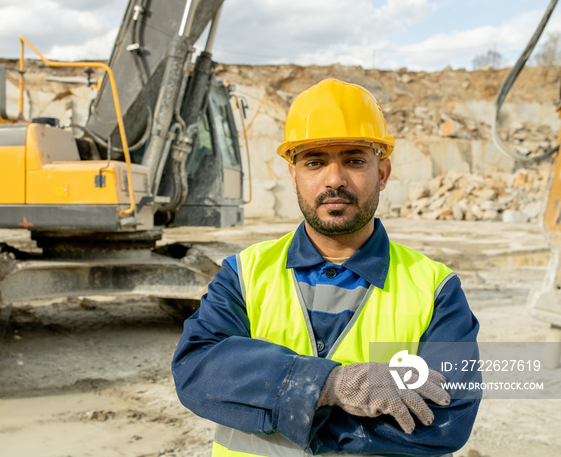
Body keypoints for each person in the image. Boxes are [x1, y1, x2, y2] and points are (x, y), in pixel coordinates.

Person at [171, 78, 480, 456]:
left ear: (381, 174)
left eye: (354, 160)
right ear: (294, 175)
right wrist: (331, 384)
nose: (334, 179)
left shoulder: (435, 288)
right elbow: (198, 368)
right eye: (315, 162)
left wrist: (286, 407)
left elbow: (448, 417)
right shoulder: (245, 273)